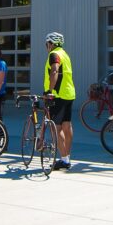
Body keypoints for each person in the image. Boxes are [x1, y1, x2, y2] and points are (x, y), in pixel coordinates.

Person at [44, 32, 76, 171]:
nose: (46, 47)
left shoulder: (54, 54)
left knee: (55, 127)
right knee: (67, 126)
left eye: (47, 44)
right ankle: (66, 157)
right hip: (69, 94)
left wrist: (50, 90)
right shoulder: (65, 54)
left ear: (51, 43)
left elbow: (55, 70)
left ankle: (64, 160)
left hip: (58, 95)